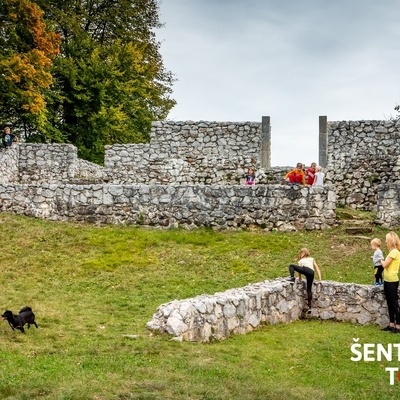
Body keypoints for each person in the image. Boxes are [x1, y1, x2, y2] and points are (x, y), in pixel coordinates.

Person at [286, 248, 322, 313]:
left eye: (301, 253)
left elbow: (300, 271)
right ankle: (309, 307)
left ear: (305, 253)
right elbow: (317, 268)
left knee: (291, 266)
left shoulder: (301, 260)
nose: (300, 254)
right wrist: (320, 278)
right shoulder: (312, 259)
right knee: (309, 289)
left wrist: (299, 278)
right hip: (311, 273)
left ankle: (292, 278)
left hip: (305, 270)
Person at [380, 231, 400, 333]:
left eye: (386, 239)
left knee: (394, 303)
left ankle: (398, 326)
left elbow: (385, 265)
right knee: (389, 302)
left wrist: (380, 260)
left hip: (392, 280)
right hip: (387, 280)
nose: (385, 241)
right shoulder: (392, 252)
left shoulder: (394, 252)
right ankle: (392, 324)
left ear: (390, 240)